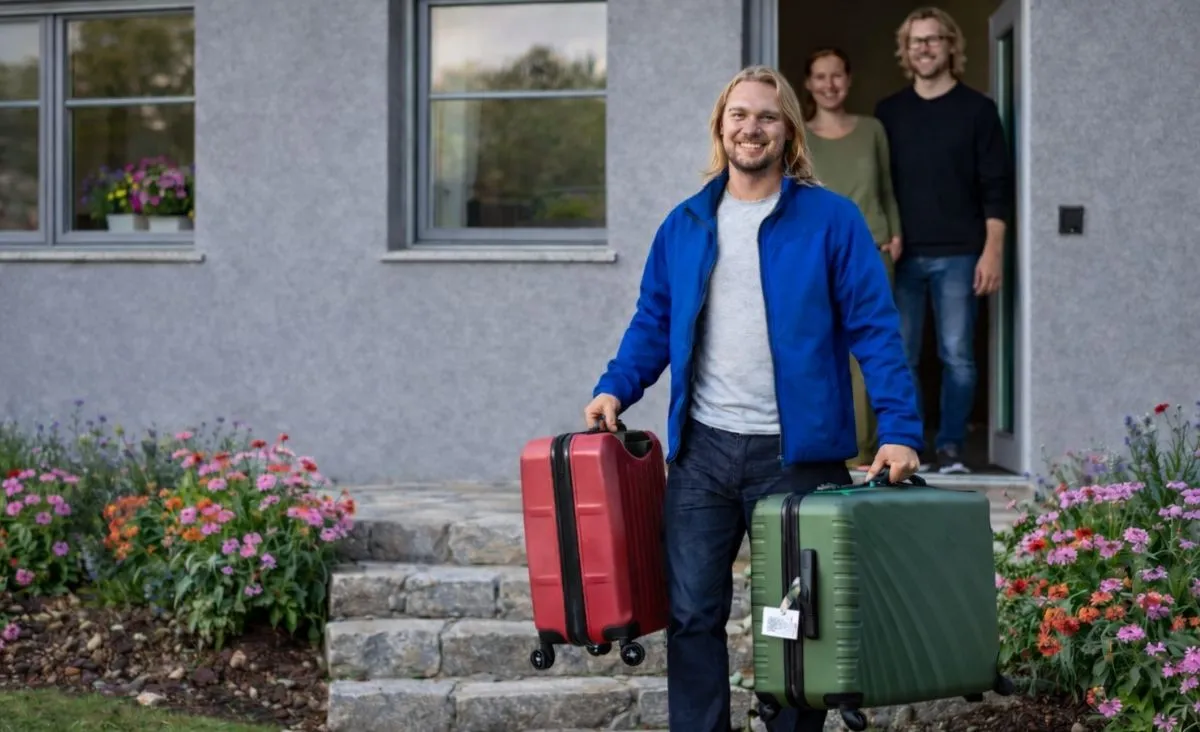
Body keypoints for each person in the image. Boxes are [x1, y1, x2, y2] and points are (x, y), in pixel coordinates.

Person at [582, 65, 923, 732]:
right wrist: (615, 386)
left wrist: (900, 429)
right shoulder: (686, 223)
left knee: (795, 622)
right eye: (739, 115)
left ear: (789, 131)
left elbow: (875, 329)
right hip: (703, 454)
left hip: (797, 459)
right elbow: (654, 320)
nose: (751, 127)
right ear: (721, 127)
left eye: (767, 116)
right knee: (691, 615)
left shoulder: (832, 220)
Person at [874, 6, 1011, 474]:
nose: (925, 48)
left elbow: (996, 187)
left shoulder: (978, 110)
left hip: (960, 252)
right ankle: (910, 446)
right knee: (902, 356)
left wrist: (993, 251)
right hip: (902, 256)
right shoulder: (889, 113)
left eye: (933, 39)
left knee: (958, 357)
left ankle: (951, 447)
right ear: (905, 51)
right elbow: (879, 186)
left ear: (951, 45)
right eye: (916, 41)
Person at [802, 47, 903, 470]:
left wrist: (895, 232)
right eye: (820, 76)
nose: (829, 85)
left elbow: (886, 187)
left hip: (874, 251)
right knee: (823, 351)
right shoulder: (797, 135)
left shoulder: (872, 129)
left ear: (849, 79)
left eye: (837, 75)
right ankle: (829, 447)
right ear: (808, 84)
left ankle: (866, 450)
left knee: (871, 350)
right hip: (818, 255)